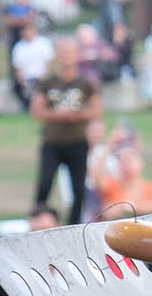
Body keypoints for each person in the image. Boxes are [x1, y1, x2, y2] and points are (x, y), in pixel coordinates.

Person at [31, 38, 101, 226]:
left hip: (77, 142)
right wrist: (57, 115)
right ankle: (37, 221)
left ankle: (74, 226)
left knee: (78, 189)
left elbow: (96, 110)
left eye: (71, 52)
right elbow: (36, 110)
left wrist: (76, 115)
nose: (67, 57)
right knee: (45, 184)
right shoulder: (48, 82)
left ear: (77, 55)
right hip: (52, 142)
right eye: (63, 52)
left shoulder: (85, 83)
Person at [10, 18, 53, 112]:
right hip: (26, 78)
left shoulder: (43, 43)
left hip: (41, 76)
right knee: (16, 87)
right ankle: (27, 107)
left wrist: (43, 76)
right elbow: (18, 67)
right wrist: (21, 78)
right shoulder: (19, 46)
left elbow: (48, 63)